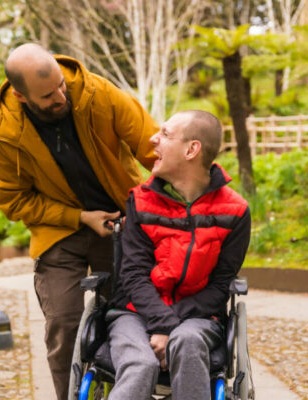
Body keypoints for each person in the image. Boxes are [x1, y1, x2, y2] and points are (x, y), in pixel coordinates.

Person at [0, 43, 158, 400]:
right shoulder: (2, 132)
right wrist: (78, 217)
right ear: (20, 95)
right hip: (59, 233)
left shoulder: (97, 93)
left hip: (120, 221)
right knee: (64, 325)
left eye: (61, 85)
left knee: (125, 317)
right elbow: (13, 200)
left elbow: (153, 146)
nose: (60, 97)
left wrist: (181, 193)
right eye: (48, 95)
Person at [106, 110, 251, 400]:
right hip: (134, 313)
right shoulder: (140, 200)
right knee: (140, 363)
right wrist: (162, 323)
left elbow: (221, 285)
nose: (153, 139)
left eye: (165, 134)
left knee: (187, 341)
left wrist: (171, 324)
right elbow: (133, 274)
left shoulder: (235, 211)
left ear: (191, 149)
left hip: (198, 316)